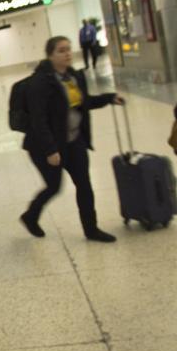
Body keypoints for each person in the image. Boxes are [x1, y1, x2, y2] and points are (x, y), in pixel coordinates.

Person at [20, 36, 125, 243]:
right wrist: (50, 150)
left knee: (84, 184)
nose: (67, 53)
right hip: (45, 146)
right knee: (54, 187)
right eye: (61, 50)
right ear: (50, 55)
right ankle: (30, 216)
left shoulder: (75, 76)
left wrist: (109, 98)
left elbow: (85, 102)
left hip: (74, 140)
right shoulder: (40, 83)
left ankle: (91, 229)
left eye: (68, 49)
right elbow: (38, 120)